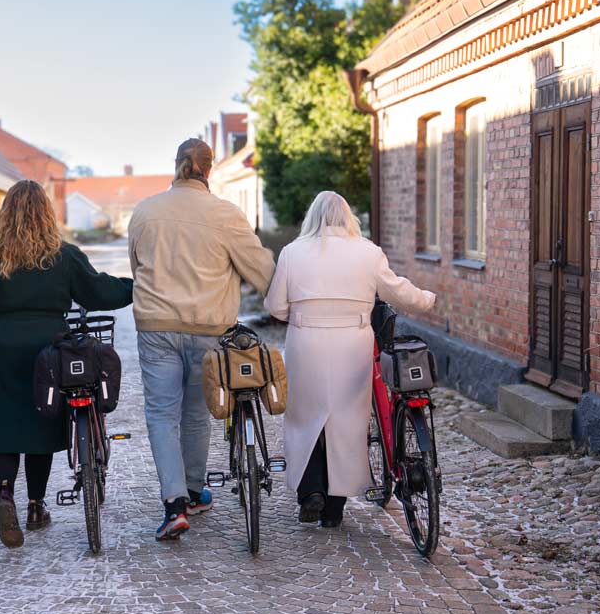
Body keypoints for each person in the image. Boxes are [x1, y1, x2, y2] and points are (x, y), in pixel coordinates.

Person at [0, 180, 132, 549]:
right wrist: (134, 286)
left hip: (0, 346)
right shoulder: (63, 255)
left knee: (4, 423)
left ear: (6, 214)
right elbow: (97, 290)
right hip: (48, 347)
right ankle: (36, 505)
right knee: (41, 418)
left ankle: (5, 495)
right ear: (46, 213)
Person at [127, 138, 276, 541]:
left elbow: (137, 267)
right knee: (197, 412)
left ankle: (174, 504)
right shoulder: (225, 214)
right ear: (209, 170)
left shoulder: (145, 212)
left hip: (157, 327)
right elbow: (261, 268)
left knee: (162, 415)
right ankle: (194, 492)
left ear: (176, 165)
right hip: (210, 329)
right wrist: (283, 305)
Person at [264, 191, 436, 527]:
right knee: (346, 422)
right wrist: (426, 300)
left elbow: (275, 307)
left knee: (305, 418)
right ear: (348, 217)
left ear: (312, 217)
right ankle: (334, 507)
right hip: (352, 342)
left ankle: (310, 490)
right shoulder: (367, 252)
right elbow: (396, 290)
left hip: (306, 341)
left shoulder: (292, 252)